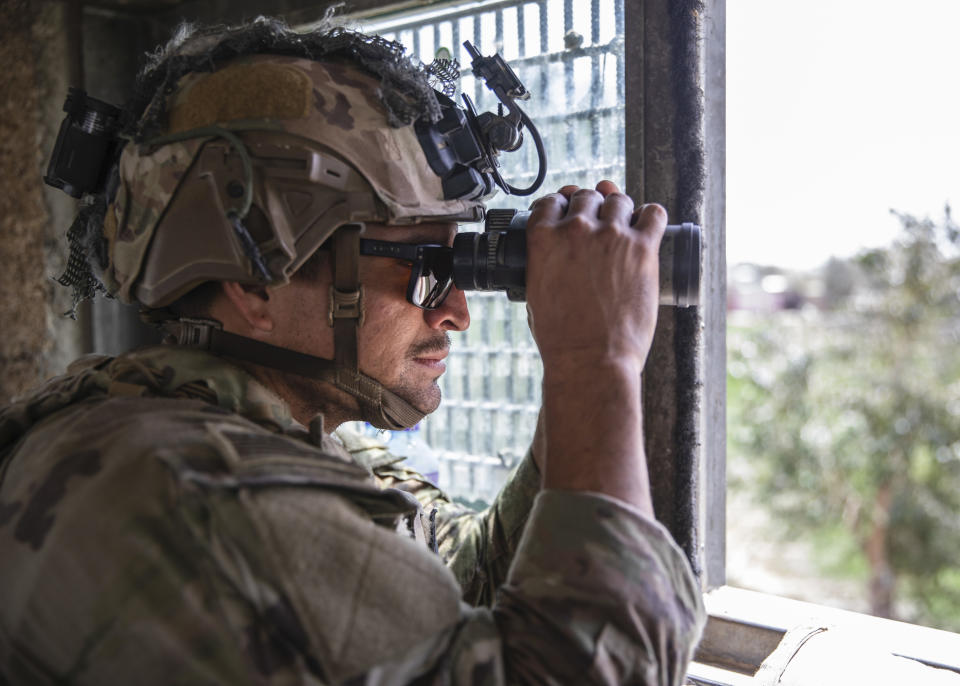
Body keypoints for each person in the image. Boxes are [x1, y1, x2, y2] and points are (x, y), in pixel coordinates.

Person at [0, 17, 705, 685]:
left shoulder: (256, 432)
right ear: (256, 281)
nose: (456, 313)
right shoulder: (199, 498)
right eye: (427, 266)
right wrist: (596, 357)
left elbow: (478, 579)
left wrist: (578, 367)